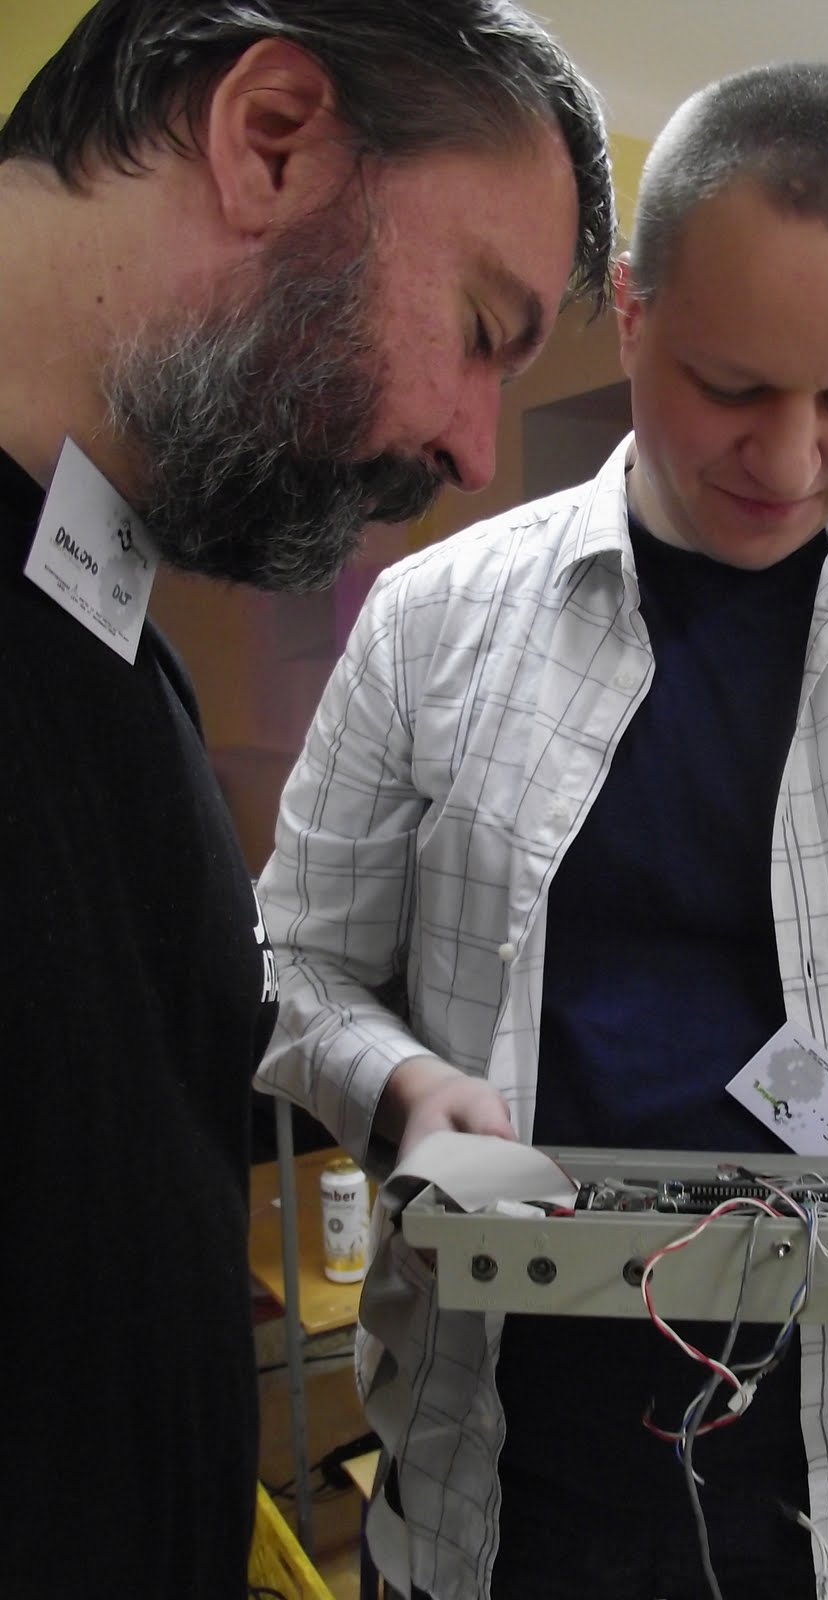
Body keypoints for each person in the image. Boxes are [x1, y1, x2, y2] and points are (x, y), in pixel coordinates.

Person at [255, 60, 828, 1600]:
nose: (792, 457)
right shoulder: (427, 626)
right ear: (631, 311)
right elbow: (295, 965)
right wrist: (404, 1086)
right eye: (736, 386)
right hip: (493, 1483)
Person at [0, 1, 613, 1594]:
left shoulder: (109, 633)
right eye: (478, 326)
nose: (472, 450)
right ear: (270, 139)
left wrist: (397, 1090)